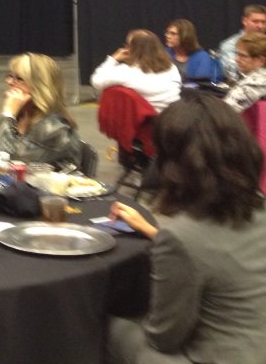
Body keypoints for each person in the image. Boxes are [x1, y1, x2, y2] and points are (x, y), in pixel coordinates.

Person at [107, 93, 266, 364]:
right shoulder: (258, 205)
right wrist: (153, 231)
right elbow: (222, 254)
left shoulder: (183, 236)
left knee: (110, 325)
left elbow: (164, 338)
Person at [0, 52, 82, 169]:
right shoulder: (20, 117)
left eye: (19, 78)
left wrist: (8, 114)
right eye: (10, 76)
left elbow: (10, 163)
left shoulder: (55, 128)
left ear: (40, 87)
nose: (9, 82)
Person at [91, 29, 181, 113]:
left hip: (148, 124)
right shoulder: (171, 67)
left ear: (132, 49)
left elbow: (96, 81)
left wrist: (113, 59)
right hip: (175, 118)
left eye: (127, 46)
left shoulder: (127, 72)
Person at [163, 18, 222, 83]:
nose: (167, 36)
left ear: (185, 36)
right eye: (167, 33)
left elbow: (201, 84)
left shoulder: (202, 57)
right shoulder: (164, 54)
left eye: (173, 34)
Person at [219, 4, 266, 83]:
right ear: (244, 21)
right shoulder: (230, 45)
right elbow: (234, 73)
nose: (260, 26)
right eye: (255, 21)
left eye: (263, 22)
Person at [224, 32, 266, 114]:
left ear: (261, 60)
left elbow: (224, 114)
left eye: (243, 56)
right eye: (237, 54)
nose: (236, 59)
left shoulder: (253, 85)